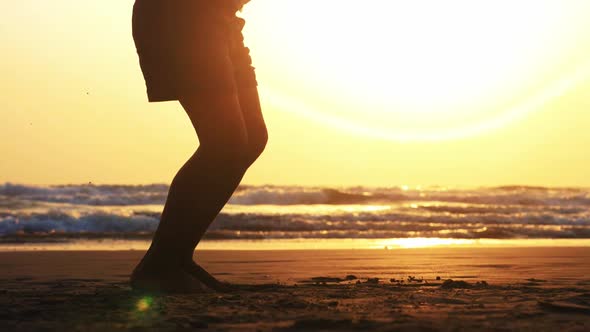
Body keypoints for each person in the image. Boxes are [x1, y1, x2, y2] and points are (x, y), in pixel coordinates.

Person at [129, 0, 267, 293]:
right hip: (183, 18)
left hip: (223, 20)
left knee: (253, 137)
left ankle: (176, 255)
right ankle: (158, 267)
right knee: (225, 143)